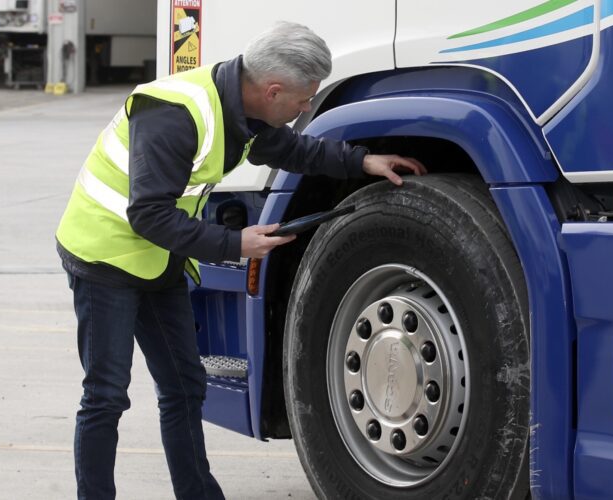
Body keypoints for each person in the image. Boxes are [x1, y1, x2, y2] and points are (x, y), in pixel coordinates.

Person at [56, 21, 426, 500]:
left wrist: (362, 162)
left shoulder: (245, 112)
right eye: (303, 99)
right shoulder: (174, 114)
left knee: (185, 386)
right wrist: (236, 244)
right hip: (104, 256)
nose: (306, 108)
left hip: (157, 259)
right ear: (273, 91)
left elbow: (295, 149)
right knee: (105, 395)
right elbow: (146, 214)